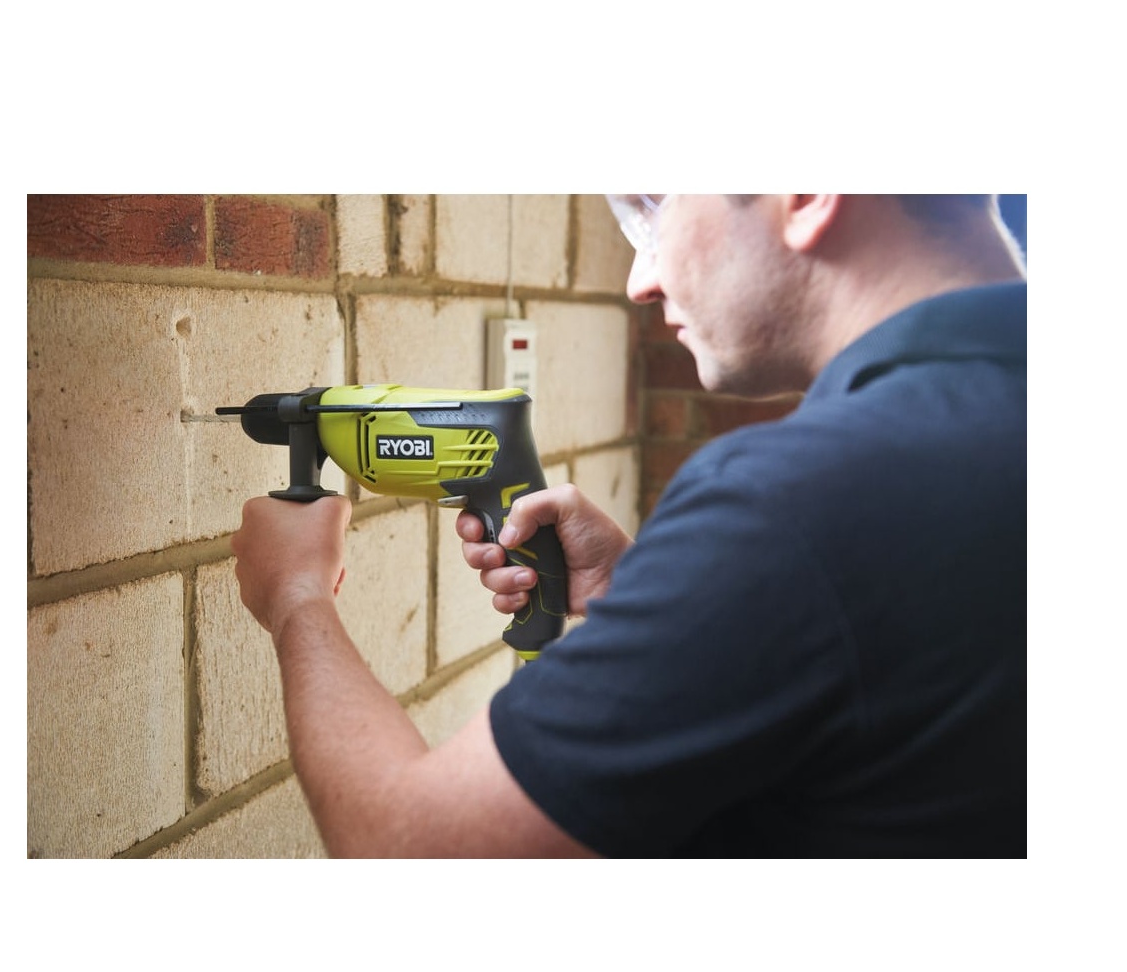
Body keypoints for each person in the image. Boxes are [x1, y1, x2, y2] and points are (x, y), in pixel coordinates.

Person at [230, 195, 1027, 857]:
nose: (641, 280)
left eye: (656, 208)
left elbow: (410, 852)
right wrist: (675, 597)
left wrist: (297, 594)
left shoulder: (789, 507)